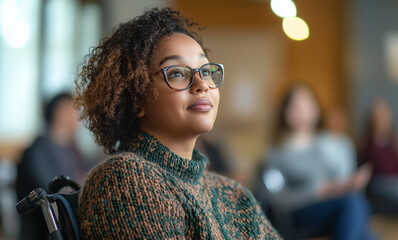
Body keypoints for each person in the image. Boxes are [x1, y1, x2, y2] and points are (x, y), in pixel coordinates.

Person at [75, 8, 280, 239]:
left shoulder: (234, 194)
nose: (202, 84)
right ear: (136, 98)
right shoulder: (124, 179)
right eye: (176, 73)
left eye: (205, 70)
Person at [260, 85, 373, 240]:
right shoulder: (275, 155)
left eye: (308, 104)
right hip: (297, 217)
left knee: (360, 221)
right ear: (286, 113)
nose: (305, 110)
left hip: (329, 211)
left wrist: (347, 184)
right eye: (298, 106)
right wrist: (320, 191)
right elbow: (277, 201)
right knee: (353, 205)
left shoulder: (326, 146)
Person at [16, 92, 89, 240]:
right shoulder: (38, 149)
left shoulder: (73, 149)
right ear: (59, 112)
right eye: (73, 109)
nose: (78, 116)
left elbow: (89, 174)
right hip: (44, 231)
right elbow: (51, 188)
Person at [361, 97, 398, 214]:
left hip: (397, 183)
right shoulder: (367, 146)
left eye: (385, 115)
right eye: (379, 115)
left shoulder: (394, 144)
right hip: (379, 185)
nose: (383, 119)